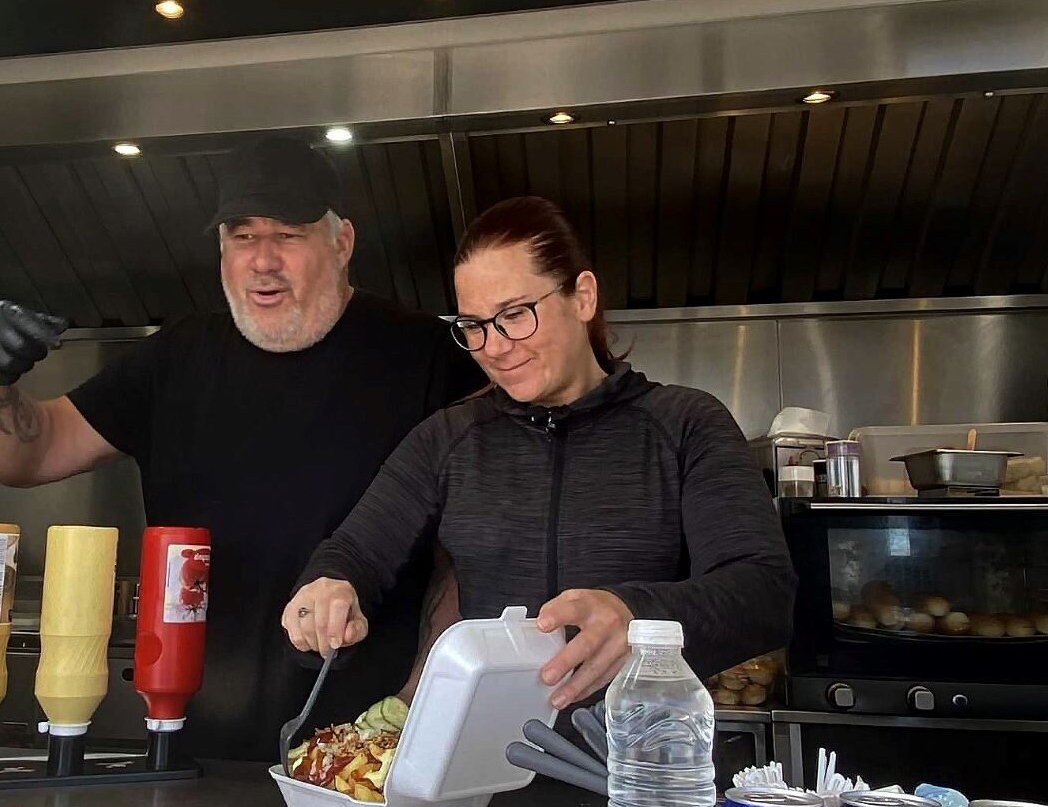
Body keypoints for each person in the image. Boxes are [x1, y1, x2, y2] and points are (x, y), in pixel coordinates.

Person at [0, 137, 486, 760]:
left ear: (342, 243)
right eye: (243, 236)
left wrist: (417, 710)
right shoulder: (178, 356)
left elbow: (468, 561)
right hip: (189, 743)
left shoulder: (428, 359)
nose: (263, 261)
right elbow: (27, 455)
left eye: (289, 235)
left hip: (367, 751)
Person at [284, 196, 796, 709]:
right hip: (482, 765)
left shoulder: (684, 426)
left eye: (514, 314)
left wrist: (638, 616)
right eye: (474, 325)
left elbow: (764, 592)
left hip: (642, 763)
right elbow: (353, 554)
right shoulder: (449, 439)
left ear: (583, 297)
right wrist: (328, 593)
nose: (495, 346)